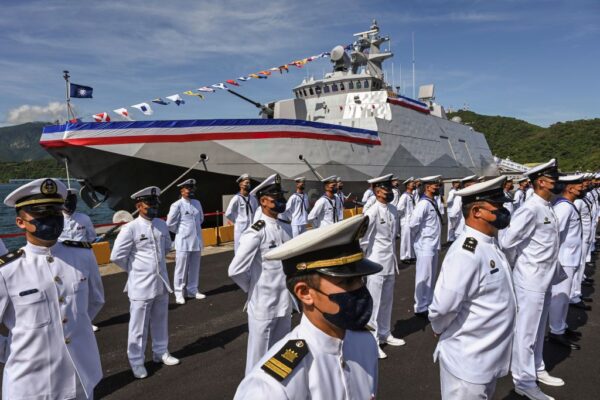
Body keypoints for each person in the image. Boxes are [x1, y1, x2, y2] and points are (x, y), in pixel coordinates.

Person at [234, 215, 380, 399]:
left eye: (361, 279)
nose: (360, 289)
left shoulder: (365, 343)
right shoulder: (271, 387)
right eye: (348, 281)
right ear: (304, 293)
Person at [0, 178, 104, 399]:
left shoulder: (83, 255)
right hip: (29, 385)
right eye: (41, 213)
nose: (51, 219)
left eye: (55, 212)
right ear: (20, 222)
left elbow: (94, 302)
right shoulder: (7, 270)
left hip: (79, 378)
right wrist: (15, 351)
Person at [429, 176, 517, 400]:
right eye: (497, 207)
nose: (503, 211)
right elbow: (443, 307)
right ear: (477, 211)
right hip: (468, 362)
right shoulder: (466, 253)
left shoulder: (489, 243)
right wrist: (439, 328)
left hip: (486, 359)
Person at [500, 159, 564, 400]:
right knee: (526, 332)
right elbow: (507, 242)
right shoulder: (531, 208)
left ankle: (537, 368)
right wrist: (519, 266)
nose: (557, 183)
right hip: (531, 279)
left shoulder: (548, 206)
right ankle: (524, 381)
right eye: (553, 180)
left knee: (539, 329)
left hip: (545, 278)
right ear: (541, 182)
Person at [110, 186, 180, 379]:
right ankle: (137, 361)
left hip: (161, 282)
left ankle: (161, 352)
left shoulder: (161, 225)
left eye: (156, 203)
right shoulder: (130, 228)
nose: (154, 207)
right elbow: (117, 256)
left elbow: (166, 247)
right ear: (139, 206)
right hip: (140, 285)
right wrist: (135, 270)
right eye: (150, 203)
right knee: (138, 326)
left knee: (160, 320)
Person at [228, 174, 293, 375]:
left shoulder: (286, 226)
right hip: (263, 304)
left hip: (285, 303)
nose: (281, 202)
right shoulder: (256, 232)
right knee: (258, 361)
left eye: (281, 197)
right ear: (263, 201)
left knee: (280, 358)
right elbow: (235, 270)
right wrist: (253, 288)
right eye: (276, 198)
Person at [360, 174, 404, 359]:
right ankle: (373, 340)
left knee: (387, 300)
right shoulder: (372, 211)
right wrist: (363, 263)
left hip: (389, 261)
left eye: (390, 189)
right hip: (376, 262)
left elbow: (393, 236)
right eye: (386, 189)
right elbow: (363, 239)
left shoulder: (393, 210)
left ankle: (385, 333)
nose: (390, 192)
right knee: (375, 303)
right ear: (378, 192)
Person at [548, 174, 585, 350]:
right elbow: (554, 235)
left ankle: (561, 326)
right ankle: (556, 331)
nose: (582, 188)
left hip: (571, 257)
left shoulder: (569, 206)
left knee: (564, 295)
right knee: (559, 297)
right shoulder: (563, 208)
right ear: (569, 188)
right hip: (564, 259)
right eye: (578, 186)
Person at [166, 178, 206, 305]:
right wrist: (181, 232)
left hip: (196, 241)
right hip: (183, 242)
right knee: (181, 269)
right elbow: (170, 224)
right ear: (182, 190)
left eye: (191, 188)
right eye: (187, 188)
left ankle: (192, 290)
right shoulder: (177, 205)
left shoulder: (197, 203)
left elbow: (201, 219)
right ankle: (179, 292)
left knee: (194, 267)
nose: (190, 190)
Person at [409, 175, 443, 317]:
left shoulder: (432, 202)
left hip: (433, 244)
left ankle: (428, 302)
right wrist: (419, 240)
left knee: (431, 275)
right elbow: (412, 225)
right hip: (425, 245)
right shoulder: (423, 204)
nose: (438, 187)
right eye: (435, 185)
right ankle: (420, 306)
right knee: (424, 276)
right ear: (428, 187)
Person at [570, 174, 594, 310]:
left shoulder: (582, 199)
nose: (584, 185)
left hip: (584, 237)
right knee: (577, 266)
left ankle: (576, 292)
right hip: (579, 239)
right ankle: (574, 293)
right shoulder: (576, 202)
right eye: (582, 183)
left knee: (580, 265)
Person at [225, 174, 259, 251]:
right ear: (241, 185)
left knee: (251, 249)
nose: (248, 185)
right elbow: (228, 213)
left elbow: (257, 212)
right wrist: (238, 221)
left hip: (251, 228)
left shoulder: (253, 198)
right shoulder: (236, 198)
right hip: (241, 229)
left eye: (249, 183)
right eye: (246, 183)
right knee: (239, 249)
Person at [397, 177, 416, 263]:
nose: (414, 184)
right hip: (406, 221)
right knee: (405, 240)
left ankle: (411, 255)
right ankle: (404, 257)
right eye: (412, 183)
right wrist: (404, 219)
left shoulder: (412, 195)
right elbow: (399, 209)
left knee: (411, 239)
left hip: (411, 221)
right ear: (408, 185)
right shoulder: (404, 196)